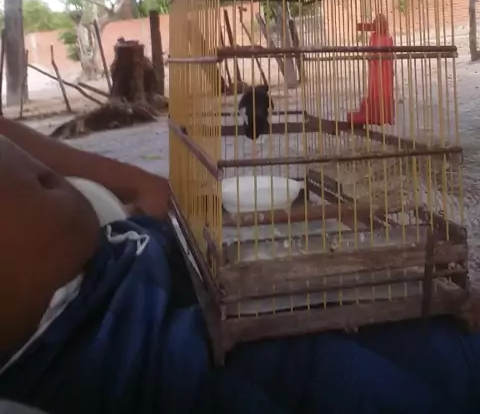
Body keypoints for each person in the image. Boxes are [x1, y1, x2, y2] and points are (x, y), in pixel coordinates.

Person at [0, 117, 480, 414]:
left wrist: (137, 182)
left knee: (323, 299)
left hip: (126, 254)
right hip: (89, 334)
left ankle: (448, 344)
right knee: (298, 355)